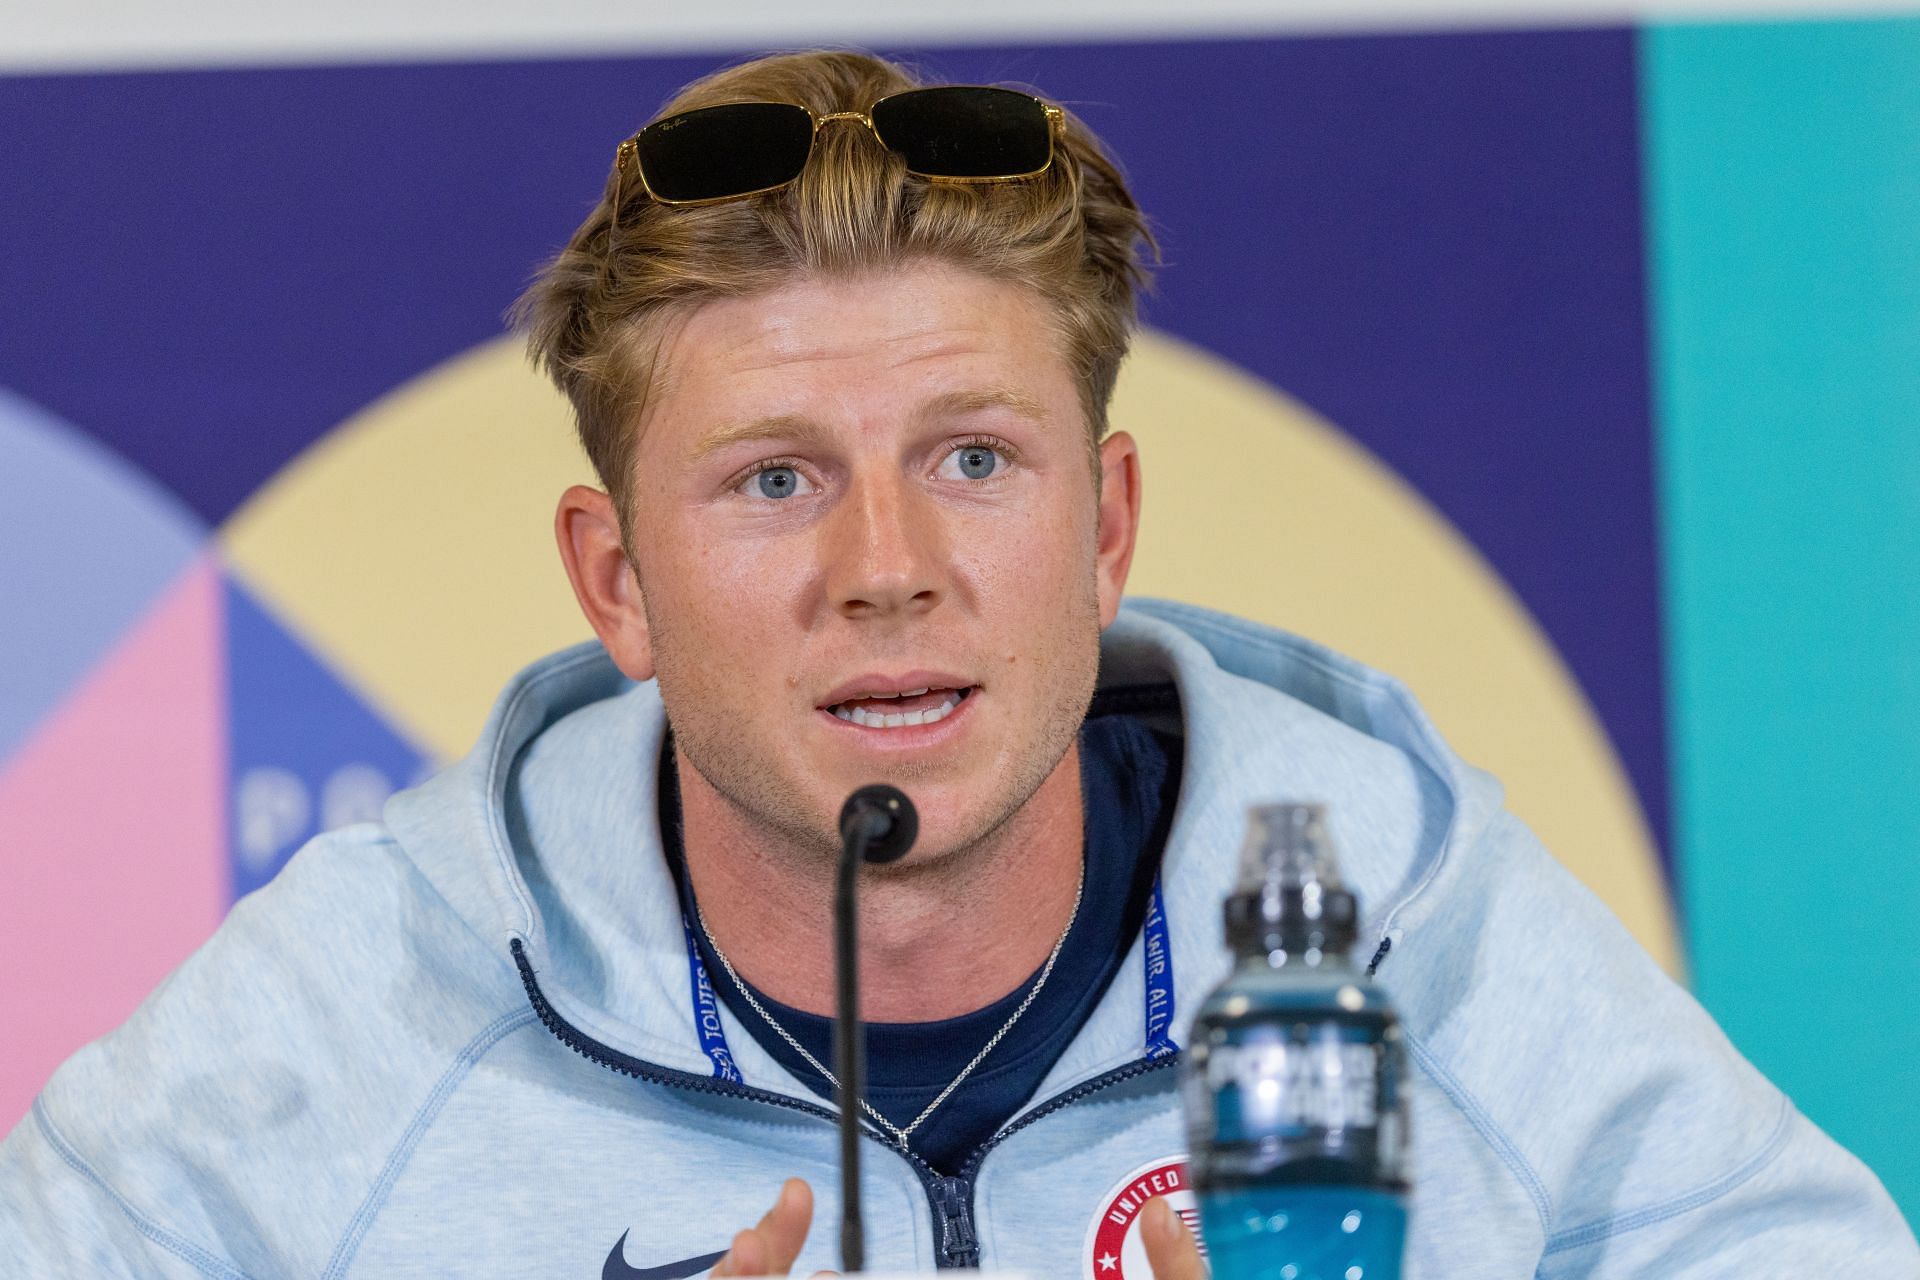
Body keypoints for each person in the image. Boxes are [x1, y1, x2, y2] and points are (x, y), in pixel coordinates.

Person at [2, 48, 1914, 1279]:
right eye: (773, 483)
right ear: (617, 584)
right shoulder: (349, 1015)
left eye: (974, 462)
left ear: (1103, 530)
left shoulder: (1417, 933)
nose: (888, 572)